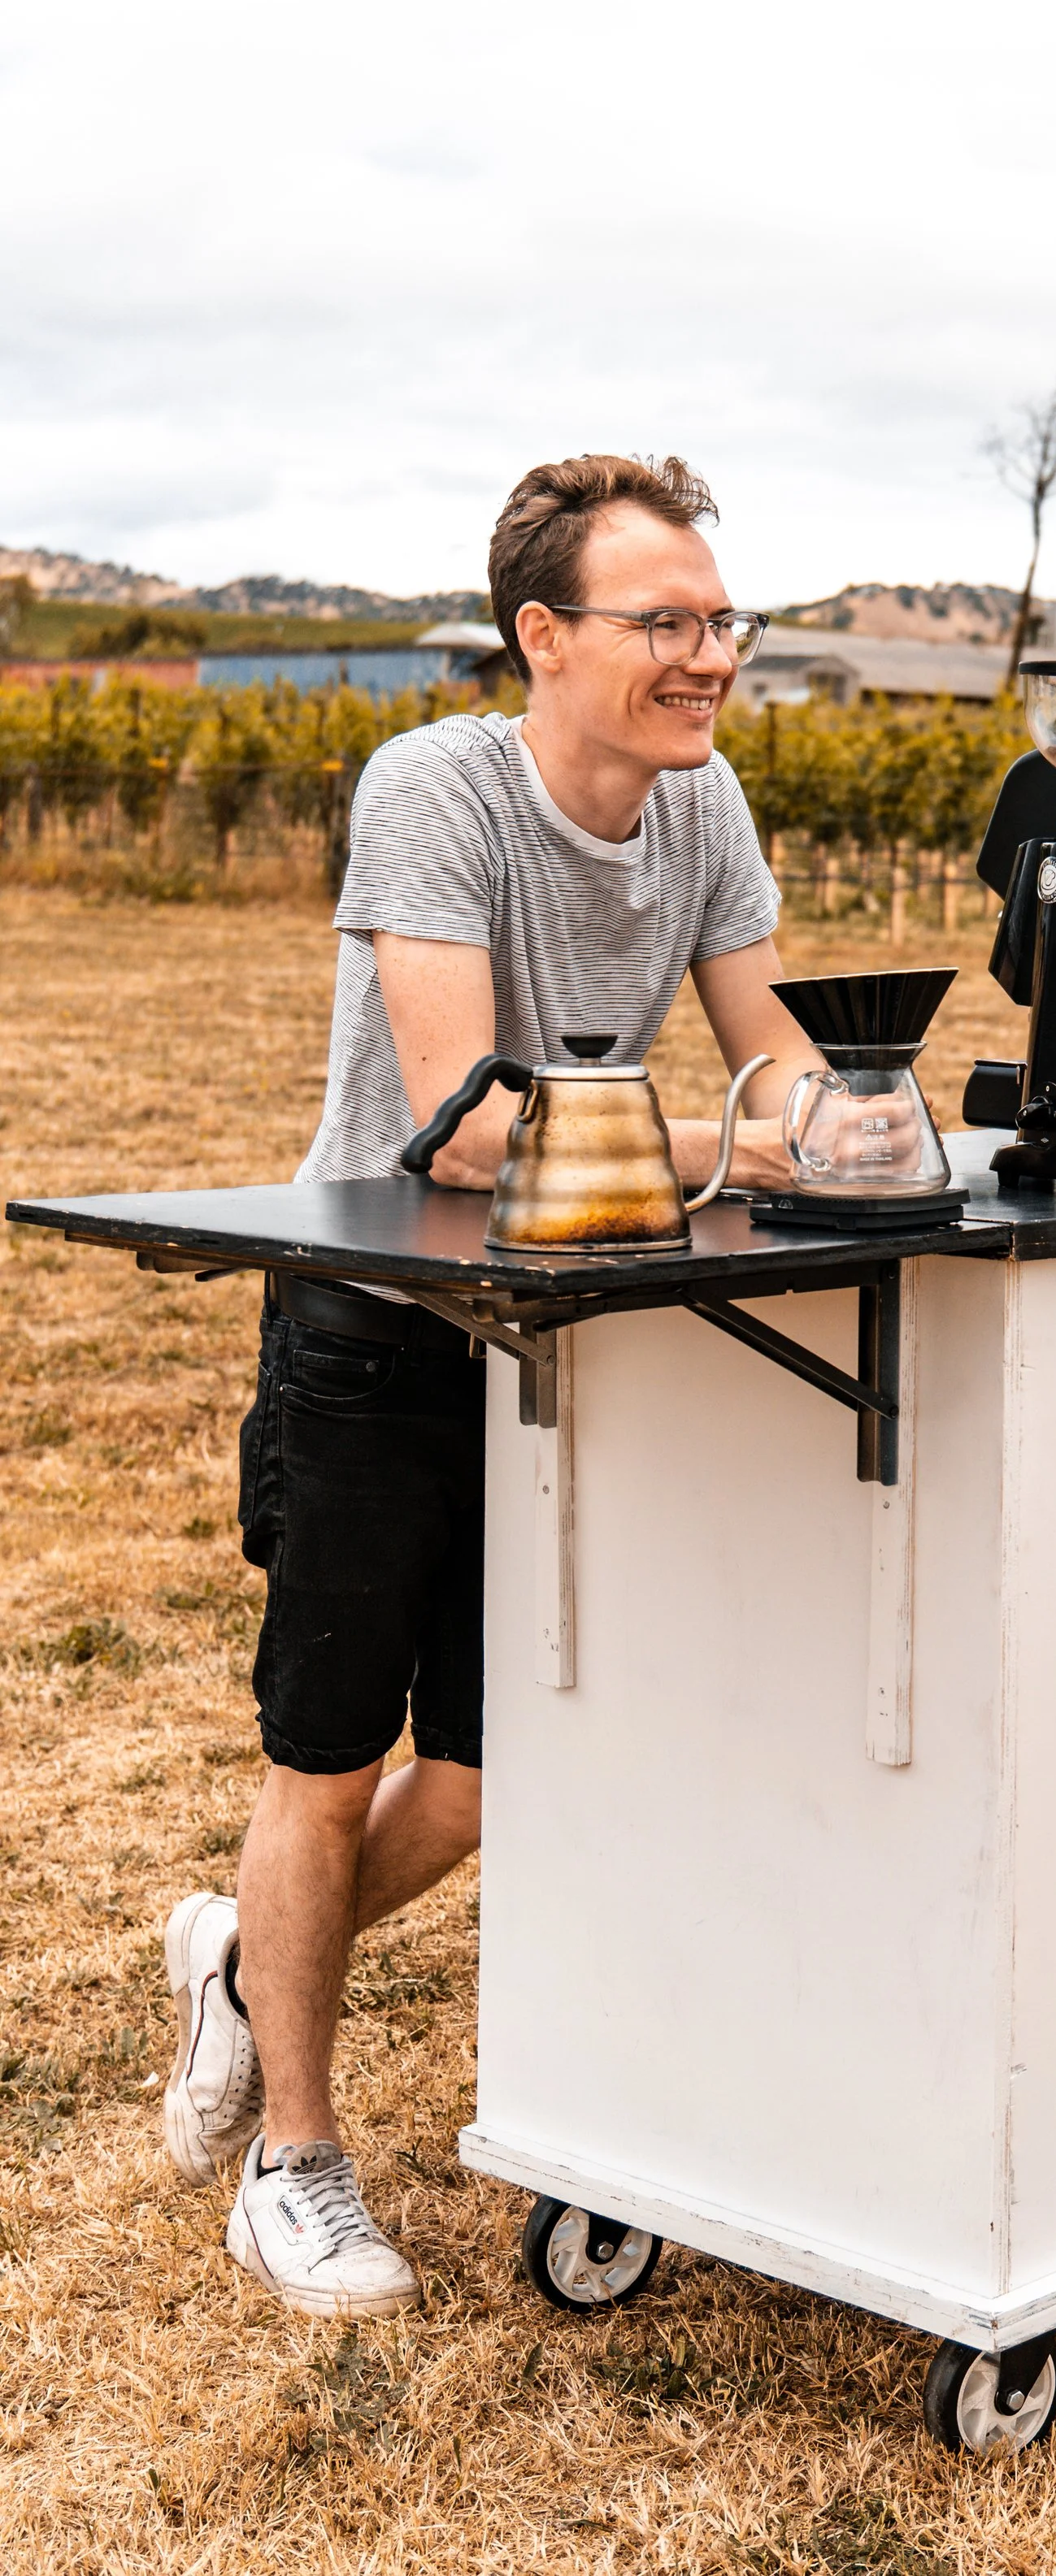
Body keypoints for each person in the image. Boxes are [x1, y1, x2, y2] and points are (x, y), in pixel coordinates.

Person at [159, 453, 816, 2315]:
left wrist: (835, 1113)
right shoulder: (433, 788)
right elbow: (462, 1132)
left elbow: (768, 1060)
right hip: (374, 1328)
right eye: (663, 625)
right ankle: (294, 2160)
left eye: (719, 622)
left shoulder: (702, 811)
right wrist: (730, 1146)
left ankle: (235, 1958)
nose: (706, 659)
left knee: (474, 1779)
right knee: (329, 1756)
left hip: (554, 1344)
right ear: (542, 636)